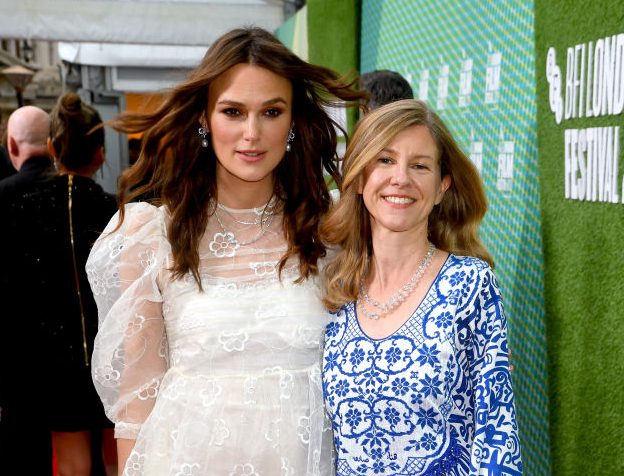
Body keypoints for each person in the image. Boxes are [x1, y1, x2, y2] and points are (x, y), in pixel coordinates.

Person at [85, 26, 364, 475]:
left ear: (293, 121)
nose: (252, 133)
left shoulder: (333, 229)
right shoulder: (150, 236)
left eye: (271, 112)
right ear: (204, 118)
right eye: (233, 111)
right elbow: (135, 410)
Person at [320, 99, 522, 475]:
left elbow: (498, 434)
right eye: (385, 160)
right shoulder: (334, 289)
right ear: (360, 177)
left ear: (442, 186)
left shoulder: (470, 285)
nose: (401, 178)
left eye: (420, 166)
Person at [0, 95, 118, 476]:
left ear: (51, 148)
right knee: (119, 458)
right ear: (100, 155)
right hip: (112, 350)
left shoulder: (21, 208)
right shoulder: (117, 211)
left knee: (71, 466)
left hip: (51, 358)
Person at [0, 105, 55, 475]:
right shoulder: (72, 191)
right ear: (52, 145)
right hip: (70, 351)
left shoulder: (2, 194)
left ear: (11, 145)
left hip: (15, 349)